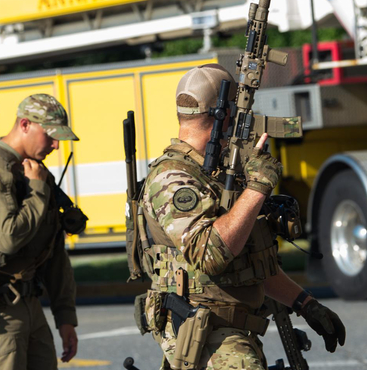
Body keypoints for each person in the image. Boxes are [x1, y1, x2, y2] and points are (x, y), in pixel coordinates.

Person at [140, 64, 346, 369]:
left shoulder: (216, 176)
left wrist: (306, 305)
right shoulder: (172, 179)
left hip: (229, 328)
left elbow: (251, 267)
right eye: (238, 115)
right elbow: (209, 254)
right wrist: (257, 188)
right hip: (203, 330)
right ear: (221, 116)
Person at [0, 94, 80, 369]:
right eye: (50, 136)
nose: (56, 145)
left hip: (30, 302)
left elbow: (52, 250)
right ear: (25, 124)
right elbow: (7, 238)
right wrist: (38, 190)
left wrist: (65, 318)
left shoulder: (33, 171)